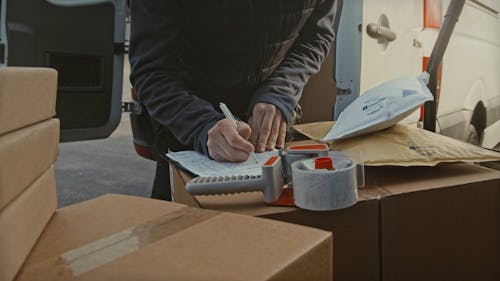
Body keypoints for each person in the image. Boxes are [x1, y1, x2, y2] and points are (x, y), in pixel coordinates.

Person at [129, 0, 336, 201]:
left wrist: (280, 92)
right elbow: (152, 72)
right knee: (182, 232)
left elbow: (316, 36)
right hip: (187, 131)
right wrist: (202, 125)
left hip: (272, 131)